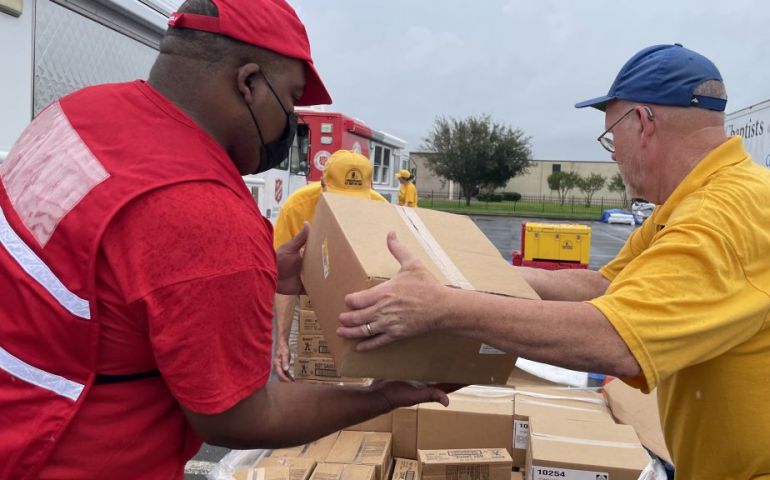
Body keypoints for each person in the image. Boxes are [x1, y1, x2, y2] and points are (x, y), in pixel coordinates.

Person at [0, 1, 450, 478]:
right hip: (67, 456)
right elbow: (238, 416)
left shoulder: (80, 111)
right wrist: (381, 394)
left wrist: (255, 275)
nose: (291, 121)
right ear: (249, 83)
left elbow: (101, 261)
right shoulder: (201, 208)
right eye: (291, 99)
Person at [336, 44, 770, 479]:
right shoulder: (696, 201)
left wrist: (442, 308)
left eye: (610, 137)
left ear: (641, 122)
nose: (614, 155)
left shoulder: (724, 217)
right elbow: (603, 287)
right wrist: (472, 278)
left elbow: (616, 341)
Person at [273, 149, 387, 382]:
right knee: (297, 374)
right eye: (339, 197)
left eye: (354, 199)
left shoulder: (381, 209)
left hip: (358, 300)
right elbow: (283, 281)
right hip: (306, 297)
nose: (346, 207)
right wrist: (282, 340)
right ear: (323, 185)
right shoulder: (298, 207)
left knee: (359, 380)